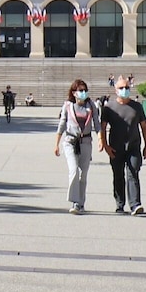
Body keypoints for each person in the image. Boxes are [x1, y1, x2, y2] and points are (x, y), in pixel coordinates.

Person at [98, 77, 146, 215]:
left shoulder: (137, 106)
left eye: (127, 88)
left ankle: (135, 204)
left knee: (133, 173)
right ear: (115, 90)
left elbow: (144, 127)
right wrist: (105, 145)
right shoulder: (108, 107)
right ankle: (120, 204)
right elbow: (102, 128)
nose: (124, 90)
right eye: (121, 88)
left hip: (133, 146)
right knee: (118, 175)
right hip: (116, 147)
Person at [52, 80, 100, 214]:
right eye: (80, 90)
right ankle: (74, 202)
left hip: (85, 142)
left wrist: (101, 139)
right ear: (74, 93)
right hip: (70, 141)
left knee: (83, 174)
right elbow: (62, 124)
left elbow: (97, 123)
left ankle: (80, 203)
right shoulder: (67, 105)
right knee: (74, 170)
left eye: (85, 90)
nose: (83, 93)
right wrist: (56, 144)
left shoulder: (91, 105)